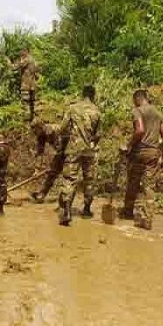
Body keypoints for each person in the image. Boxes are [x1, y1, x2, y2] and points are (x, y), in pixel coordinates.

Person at [122, 89, 163, 230]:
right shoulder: (158, 113)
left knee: (133, 181)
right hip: (153, 153)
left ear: (137, 99)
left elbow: (140, 130)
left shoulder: (138, 111)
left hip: (140, 152)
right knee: (149, 186)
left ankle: (128, 212)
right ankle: (147, 219)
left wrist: (128, 144)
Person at [56, 85, 101, 226]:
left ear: (83, 94)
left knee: (69, 178)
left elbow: (62, 128)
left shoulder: (72, 108)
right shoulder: (97, 111)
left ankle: (68, 211)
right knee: (90, 179)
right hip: (89, 150)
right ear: (93, 95)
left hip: (74, 149)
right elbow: (98, 134)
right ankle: (87, 210)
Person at [29, 118, 66, 203]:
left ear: (40, 127)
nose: (34, 133)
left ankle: (65, 198)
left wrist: (52, 165)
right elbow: (40, 153)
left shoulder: (54, 130)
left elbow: (61, 148)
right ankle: (42, 194)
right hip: (60, 152)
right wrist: (37, 169)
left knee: (66, 174)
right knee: (52, 173)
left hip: (70, 150)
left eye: (35, 130)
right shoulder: (41, 135)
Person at [15, 48, 38, 121]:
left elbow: (14, 67)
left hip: (26, 85)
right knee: (32, 103)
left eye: (21, 53)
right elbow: (37, 74)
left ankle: (27, 122)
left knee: (26, 103)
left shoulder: (26, 60)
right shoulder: (33, 60)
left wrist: (7, 61)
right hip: (33, 86)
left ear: (25, 52)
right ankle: (33, 120)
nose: (21, 55)